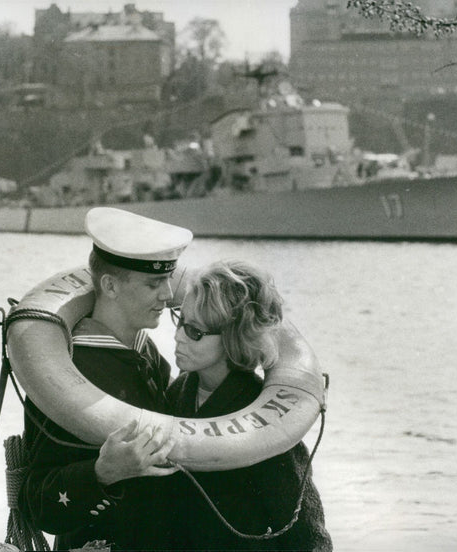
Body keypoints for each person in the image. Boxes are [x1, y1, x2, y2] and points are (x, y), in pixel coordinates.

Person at [18, 207, 193, 550]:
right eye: (153, 283)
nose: (167, 294)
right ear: (110, 286)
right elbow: (37, 502)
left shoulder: (149, 356)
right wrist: (102, 473)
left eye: (168, 281)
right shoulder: (66, 371)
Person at [166, 260, 332, 551]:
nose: (178, 336)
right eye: (181, 321)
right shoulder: (176, 393)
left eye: (195, 331)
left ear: (233, 338)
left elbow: (309, 537)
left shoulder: (263, 413)